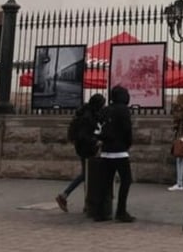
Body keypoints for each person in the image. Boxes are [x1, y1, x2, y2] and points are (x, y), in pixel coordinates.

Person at [56, 92, 105, 213]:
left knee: (87, 175)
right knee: (86, 175)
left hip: (83, 148)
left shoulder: (88, 112)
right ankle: (65, 195)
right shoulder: (87, 116)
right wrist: (95, 141)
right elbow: (84, 135)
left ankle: (86, 202)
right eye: (102, 105)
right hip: (85, 149)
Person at [93, 85, 135, 223]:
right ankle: (121, 211)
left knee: (104, 183)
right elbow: (127, 130)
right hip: (120, 152)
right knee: (126, 180)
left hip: (106, 151)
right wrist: (127, 144)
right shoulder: (123, 110)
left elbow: (98, 128)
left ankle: (99, 212)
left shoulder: (106, 110)